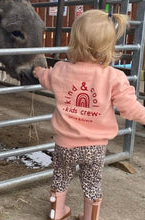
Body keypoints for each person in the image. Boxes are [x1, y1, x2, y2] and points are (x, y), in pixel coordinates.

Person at [33, 9, 145, 220]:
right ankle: (90, 217)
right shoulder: (114, 77)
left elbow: (46, 78)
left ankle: (56, 213)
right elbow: (129, 108)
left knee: (60, 178)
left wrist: (38, 71)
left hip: (65, 144)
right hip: (94, 148)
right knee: (92, 183)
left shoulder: (61, 70)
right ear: (109, 45)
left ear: (75, 41)